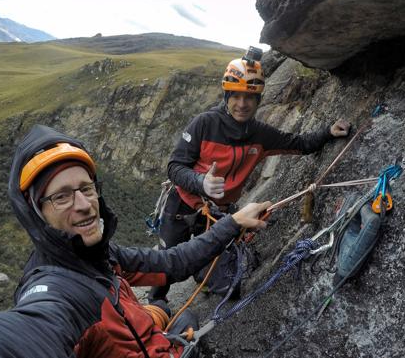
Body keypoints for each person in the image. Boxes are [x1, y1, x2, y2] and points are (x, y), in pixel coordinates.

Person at [0, 124, 271, 358]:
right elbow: (18, 336)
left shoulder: (97, 255)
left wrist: (232, 222)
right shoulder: (57, 292)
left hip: (137, 341)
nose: (83, 204)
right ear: (37, 214)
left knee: (164, 306)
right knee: (182, 319)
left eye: (86, 187)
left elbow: (171, 264)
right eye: (61, 196)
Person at [150, 47, 351, 301]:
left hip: (216, 214)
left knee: (226, 284)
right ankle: (155, 307)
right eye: (236, 96)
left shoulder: (260, 135)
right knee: (165, 267)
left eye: (250, 97)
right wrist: (201, 182)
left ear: (258, 100)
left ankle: (204, 276)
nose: (242, 104)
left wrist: (328, 132)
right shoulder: (204, 124)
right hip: (182, 205)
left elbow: (300, 143)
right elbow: (175, 166)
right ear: (227, 95)